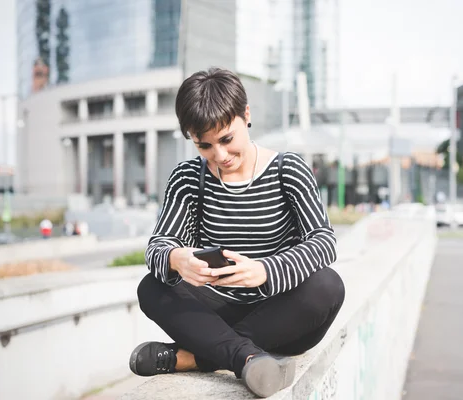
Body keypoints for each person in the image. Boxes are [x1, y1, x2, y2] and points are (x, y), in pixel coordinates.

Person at [129, 68, 345, 398]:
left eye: (227, 139)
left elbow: (323, 240)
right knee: (152, 287)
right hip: (218, 306)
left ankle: (196, 357)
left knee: (328, 285)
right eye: (204, 145)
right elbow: (159, 245)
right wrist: (177, 258)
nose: (220, 156)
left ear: (246, 116)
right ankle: (246, 358)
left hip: (282, 315)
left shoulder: (287, 170)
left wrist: (265, 270)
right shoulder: (189, 179)